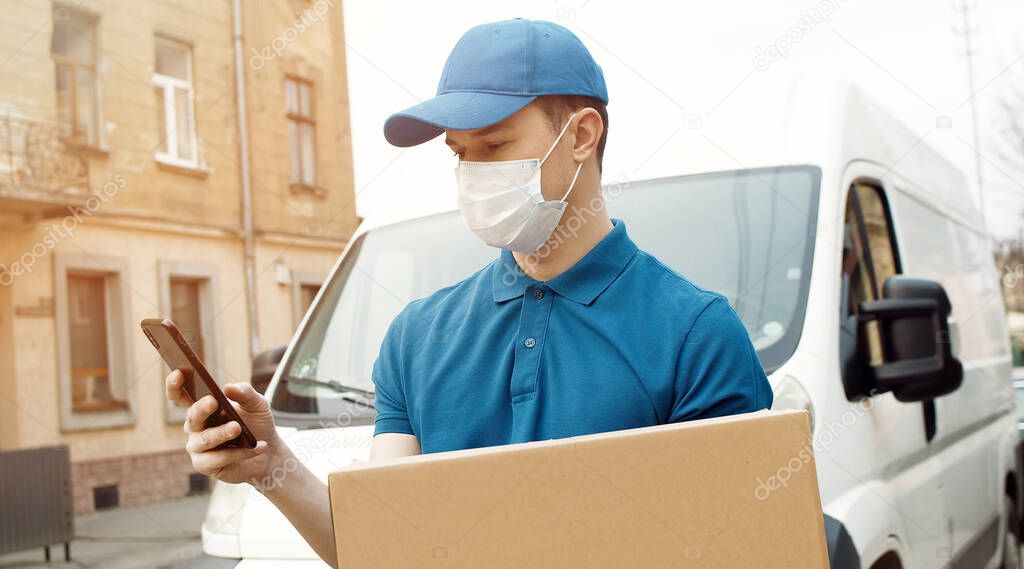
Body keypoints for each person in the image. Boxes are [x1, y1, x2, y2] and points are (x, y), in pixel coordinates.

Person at [165, 18, 773, 568]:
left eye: (495, 146)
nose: (475, 174)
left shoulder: (697, 335)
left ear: (583, 134)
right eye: (460, 153)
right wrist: (272, 465)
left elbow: (742, 549)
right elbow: (381, 549)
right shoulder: (417, 337)